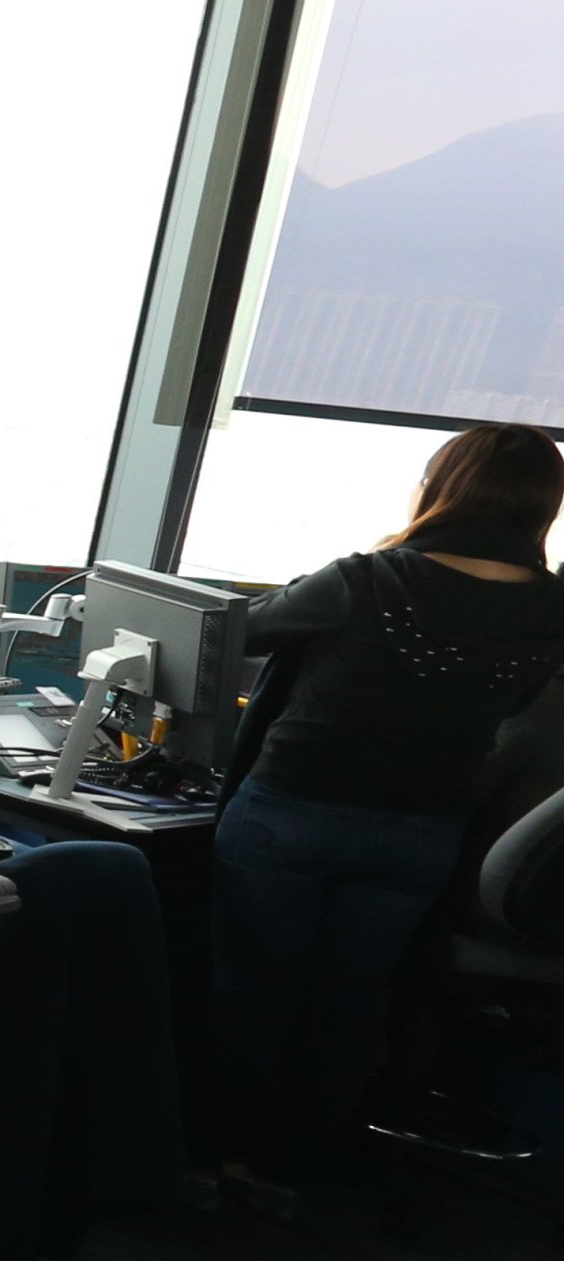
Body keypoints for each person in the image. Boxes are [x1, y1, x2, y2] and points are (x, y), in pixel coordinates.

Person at [214, 421, 564, 1209]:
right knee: (343, 1011)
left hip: (293, 814)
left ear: (443, 486)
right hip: (416, 835)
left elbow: (233, 633)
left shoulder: (367, 580)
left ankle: (203, 1161)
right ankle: (277, 1173)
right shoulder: (553, 608)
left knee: (250, 999)